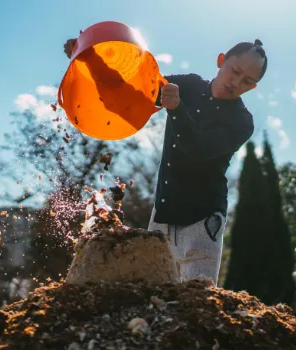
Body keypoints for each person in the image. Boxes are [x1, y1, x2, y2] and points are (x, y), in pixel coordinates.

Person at [63, 37, 268, 286]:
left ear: (252, 87)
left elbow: (199, 150)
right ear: (221, 60)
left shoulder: (242, 122)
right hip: (163, 214)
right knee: (151, 293)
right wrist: (89, 59)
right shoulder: (188, 85)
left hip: (203, 222)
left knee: (198, 298)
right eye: (235, 71)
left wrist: (177, 109)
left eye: (246, 81)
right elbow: (133, 90)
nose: (236, 82)